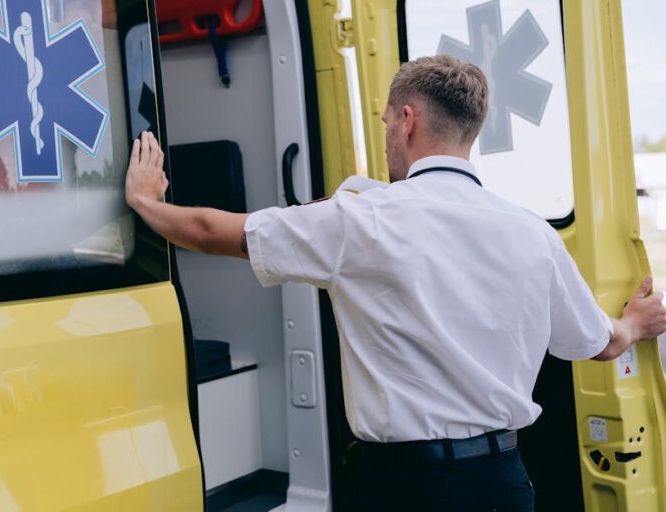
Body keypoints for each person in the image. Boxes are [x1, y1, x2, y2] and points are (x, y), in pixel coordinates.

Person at [124, 55, 666, 511]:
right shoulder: (532, 233)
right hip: (503, 484)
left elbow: (210, 231)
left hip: (405, 487)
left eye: (386, 123)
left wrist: (147, 202)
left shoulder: (363, 218)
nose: (387, 136)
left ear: (407, 120)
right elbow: (598, 343)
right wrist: (635, 322)